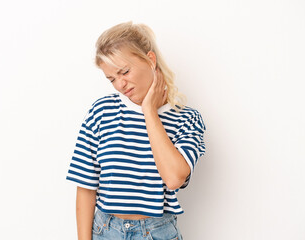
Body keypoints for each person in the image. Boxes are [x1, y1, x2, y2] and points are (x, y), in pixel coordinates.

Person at [66, 21, 206, 240]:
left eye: (125, 72)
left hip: (157, 233)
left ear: (150, 59)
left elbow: (174, 178)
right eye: (112, 79)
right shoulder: (101, 112)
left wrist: (149, 111)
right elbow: (85, 187)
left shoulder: (186, 119)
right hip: (105, 231)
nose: (120, 84)